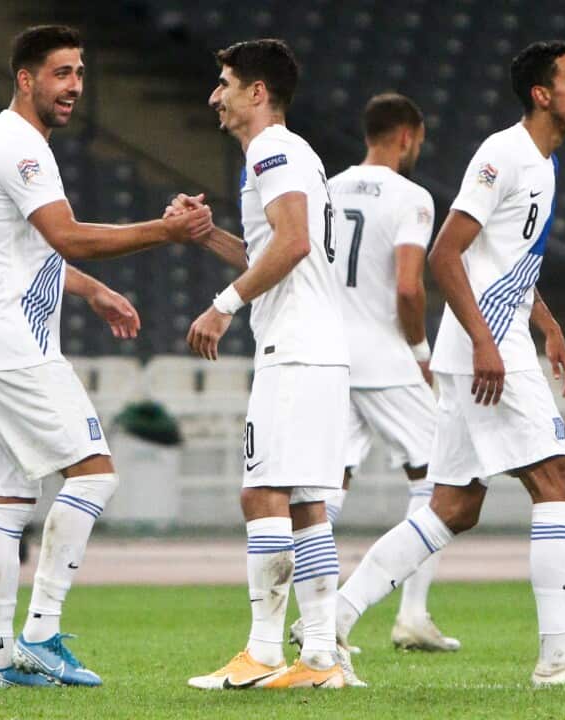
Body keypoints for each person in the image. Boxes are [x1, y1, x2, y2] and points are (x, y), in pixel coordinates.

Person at [330, 40, 565, 689]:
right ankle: (558, 658)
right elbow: (446, 255)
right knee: (558, 484)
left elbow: (503, 264)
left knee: (453, 504)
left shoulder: (544, 163)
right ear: (541, 93)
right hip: (486, 353)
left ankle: (330, 622)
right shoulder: (505, 154)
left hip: (489, 346)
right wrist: (485, 342)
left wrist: (548, 326)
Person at [0, 25, 213, 689]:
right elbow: (68, 235)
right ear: (24, 79)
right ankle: (39, 634)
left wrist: (91, 289)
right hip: (15, 344)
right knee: (94, 474)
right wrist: (168, 230)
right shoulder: (23, 148)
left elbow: (23, 250)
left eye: (79, 73)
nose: (74, 86)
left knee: (9, 499)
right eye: (61, 73)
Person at [182, 39, 353, 690]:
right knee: (307, 502)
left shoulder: (271, 149)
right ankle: (317, 659)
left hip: (296, 349)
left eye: (224, 82)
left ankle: (261, 652)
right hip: (320, 347)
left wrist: (223, 305)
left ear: (257, 93)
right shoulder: (297, 155)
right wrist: (211, 238)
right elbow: (279, 252)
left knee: (262, 492)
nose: (214, 95)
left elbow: (294, 241)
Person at [319, 92, 459, 651]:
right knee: (443, 477)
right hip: (383, 356)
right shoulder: (412, 198)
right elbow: (407, 285)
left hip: (331, 352)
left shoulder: (327, 188)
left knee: (327, 488)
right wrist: (422, 353)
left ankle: (316, 617)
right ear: (407, 136)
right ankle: (410, 613)